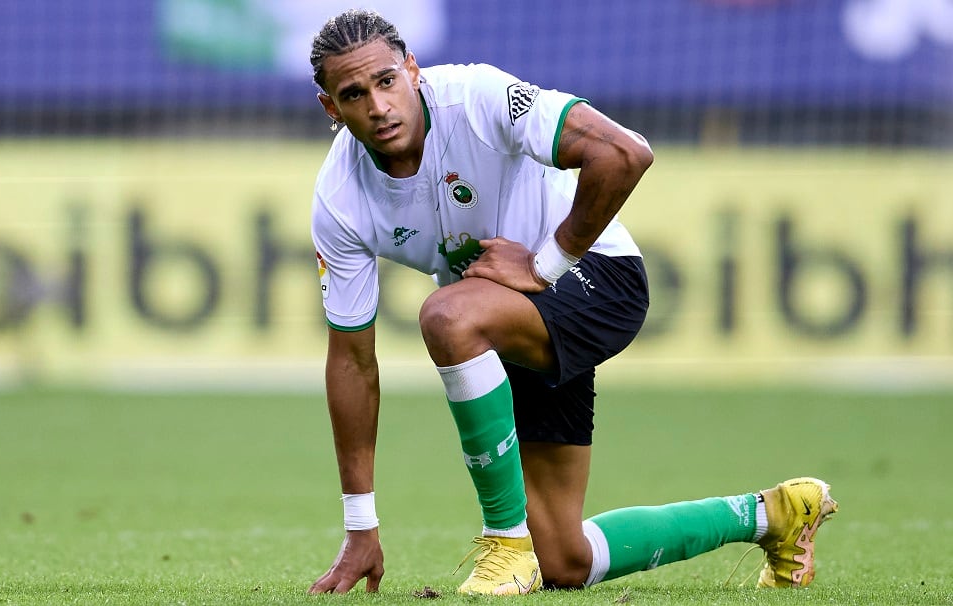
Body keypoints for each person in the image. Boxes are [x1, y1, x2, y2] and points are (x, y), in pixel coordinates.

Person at [305, 8, 838, 596]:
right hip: (507, 322)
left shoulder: (478, 97)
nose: (379, 107)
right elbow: (352, 362)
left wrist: (543, 263)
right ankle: (776, 514)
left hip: (595, 279)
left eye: (386, 81)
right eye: (354, 94)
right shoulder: (339, 200)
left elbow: (626, 152)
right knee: (563, 560)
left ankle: (504, 545)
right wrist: (360, 526)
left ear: (413, 70)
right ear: (332, 107)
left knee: (447, 315)